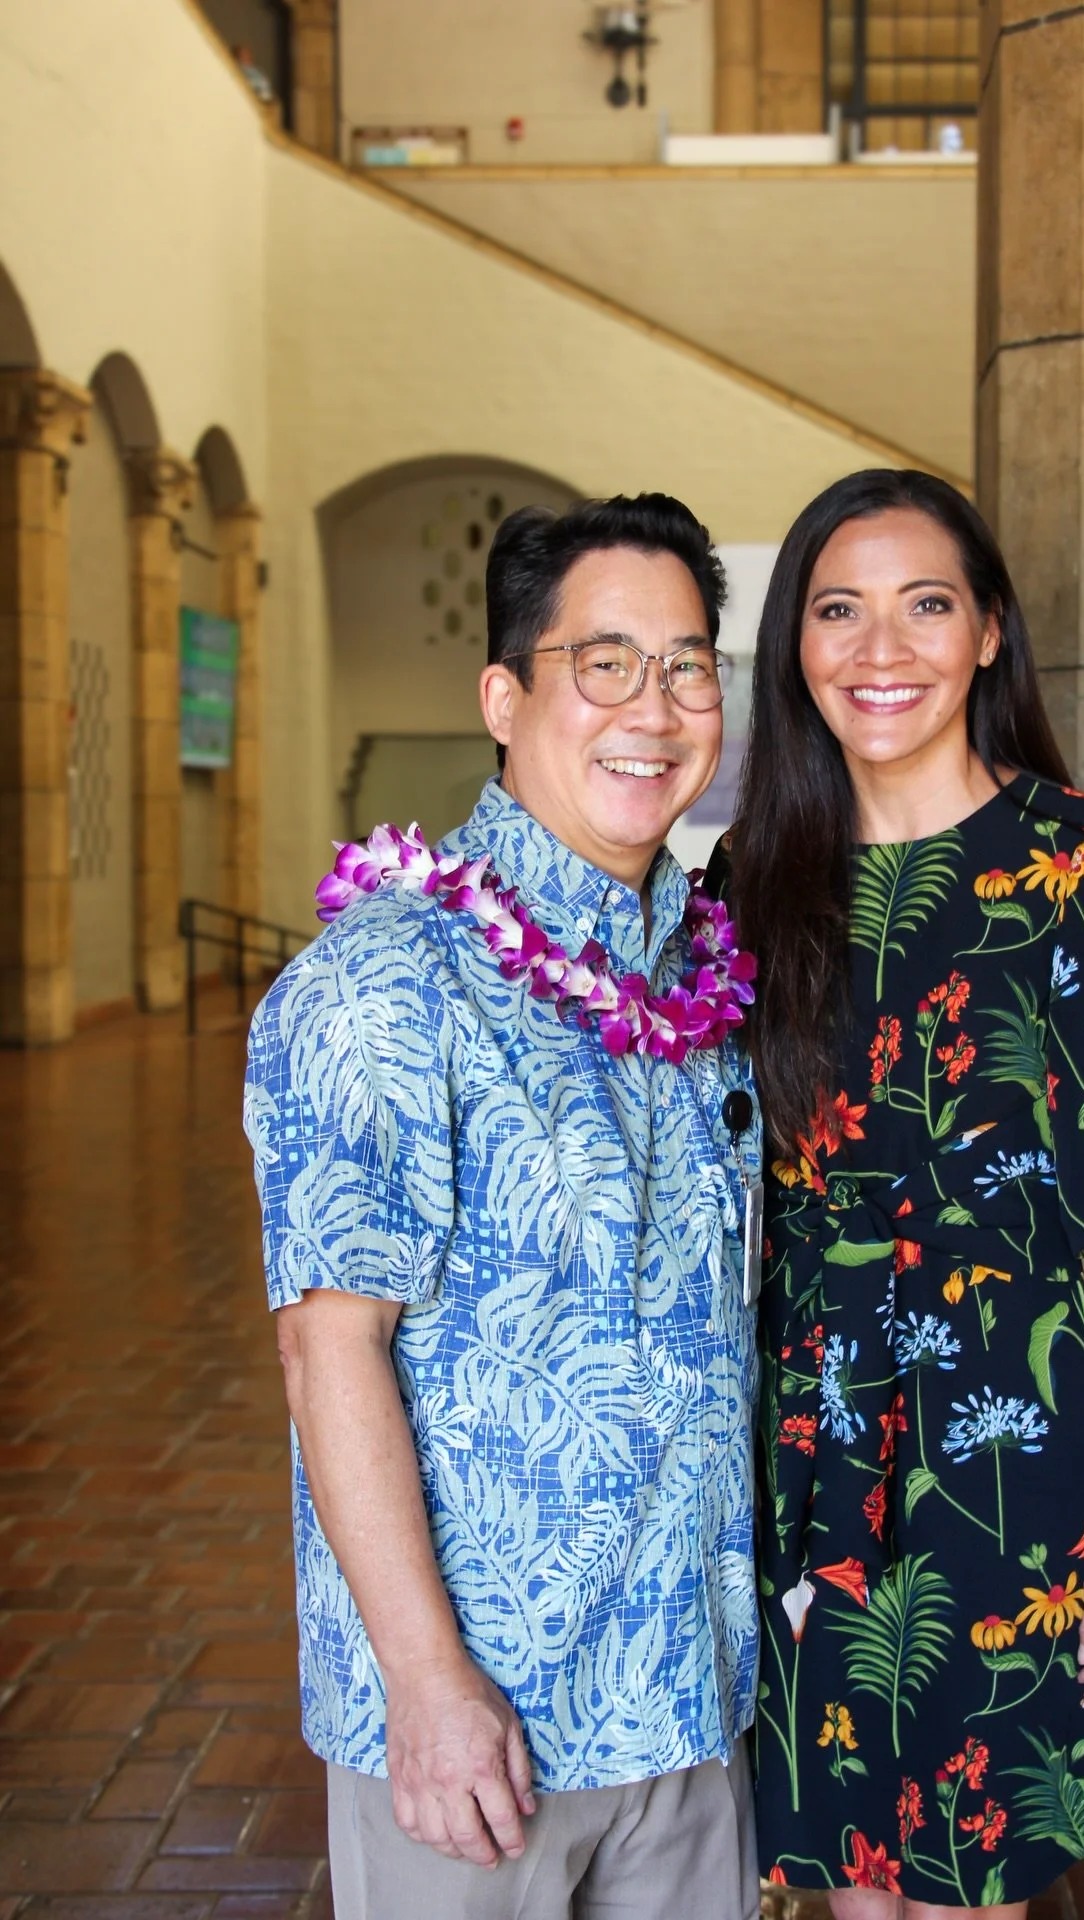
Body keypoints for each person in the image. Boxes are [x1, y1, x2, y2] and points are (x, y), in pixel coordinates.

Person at [243, 494, 764, 1920]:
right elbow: (326, 1347)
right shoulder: (385, 985)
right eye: (604, 664)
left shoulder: (706, 983)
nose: (652, 709)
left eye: (688, 666)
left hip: (685, 1704)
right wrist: (425, 1683)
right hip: (485, 1732)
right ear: (504, 694)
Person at [720, 469, 1084, 1918]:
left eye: (926, 606)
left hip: (1019, 1442)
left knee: (970, 1885)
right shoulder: (751, 883)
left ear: (988, 631)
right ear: (795, 648)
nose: (883, 649)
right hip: (814, 1452)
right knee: (853, 1885)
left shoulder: (1081, 863)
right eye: (839, 610)